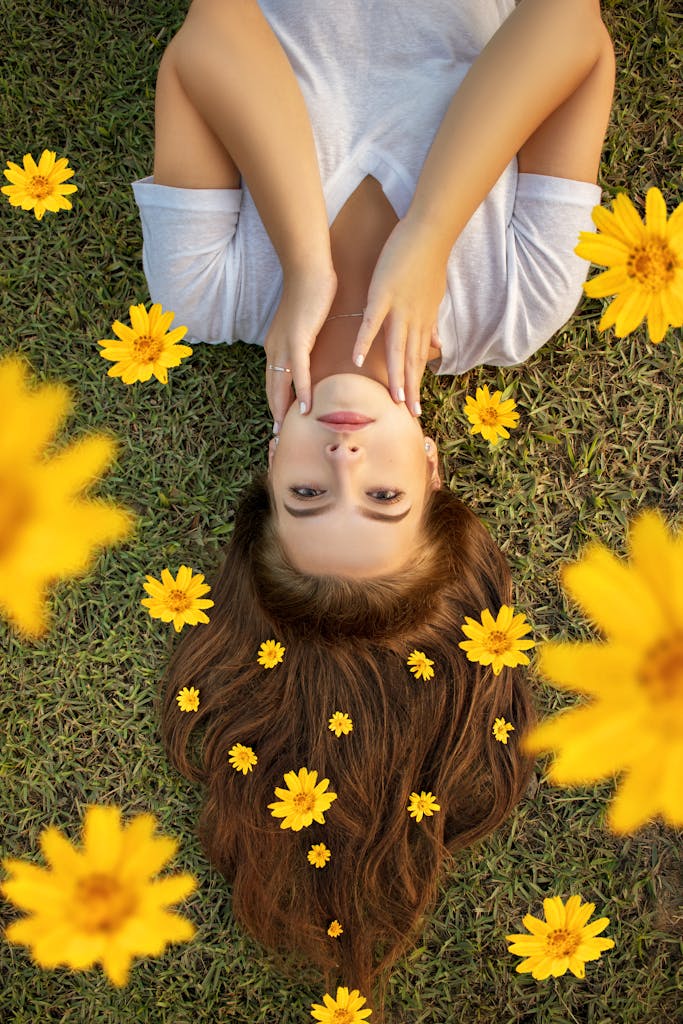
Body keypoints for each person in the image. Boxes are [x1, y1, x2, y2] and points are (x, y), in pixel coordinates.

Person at [133, 0, 616, 1014]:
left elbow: (212, 30)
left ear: (267, 473)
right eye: (384, 495)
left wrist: (303, 260)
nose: (344, 455)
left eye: (309, 494)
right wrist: (431, 233)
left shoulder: (206, 292)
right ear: (435, 470)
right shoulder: (516, 305)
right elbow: (571, 26)